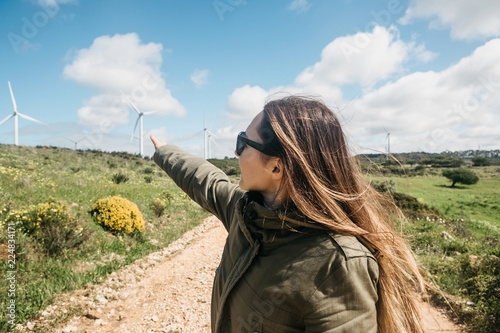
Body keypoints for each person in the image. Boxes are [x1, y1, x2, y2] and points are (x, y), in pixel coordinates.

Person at [150, 96, 426, 333]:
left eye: (244, 142)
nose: (236, 152)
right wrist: (165, 152)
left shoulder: (338, 264)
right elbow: (207, 182)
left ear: (276, 168)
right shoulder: (246, 211)